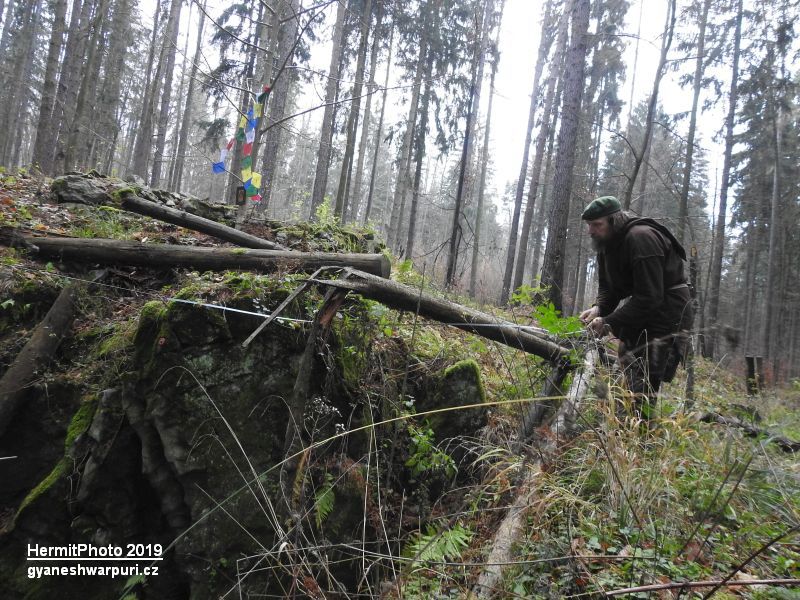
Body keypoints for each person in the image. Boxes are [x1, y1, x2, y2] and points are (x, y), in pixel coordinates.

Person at [578, 196, 693, 417]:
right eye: (589, 225)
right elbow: (608, 288)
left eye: (596, 225)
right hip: (647, 304)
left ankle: (641, 435)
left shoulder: (641, 239)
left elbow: (650, 297)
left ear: (613, 220)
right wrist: (599, 308)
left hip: (669, 311)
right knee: (628, 356)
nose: (590, 231)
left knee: (645, 372)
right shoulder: (606, 242)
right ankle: (626, 422)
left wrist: (608, 322)